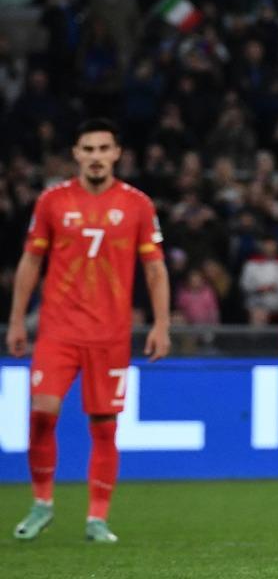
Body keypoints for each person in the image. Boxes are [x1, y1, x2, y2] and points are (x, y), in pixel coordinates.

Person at [9, 118, 172, 543]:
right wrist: (15, 319)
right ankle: (42, 503)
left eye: (104, 148)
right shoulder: (52, 201)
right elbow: (30, 262)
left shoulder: (138, 205)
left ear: (117, 154)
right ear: (76, 154)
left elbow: (154, 269)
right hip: (58, 329)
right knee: (42, 414)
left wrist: (161, 324)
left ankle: (97, 518)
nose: (96, 156)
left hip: (110, 335)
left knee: (104, 427)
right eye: (88, 149)